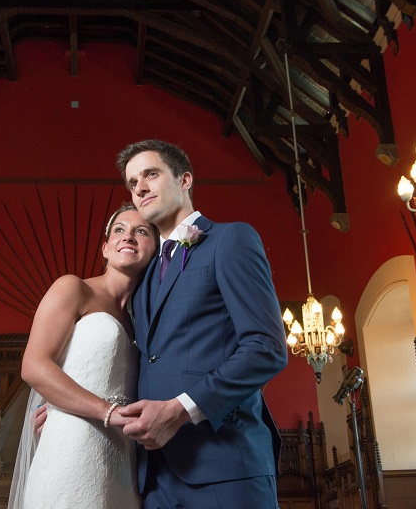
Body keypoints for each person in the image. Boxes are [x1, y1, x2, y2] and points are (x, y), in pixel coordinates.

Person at [111, 139, 288, 508]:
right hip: (154, 475)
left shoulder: (230, 239)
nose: (139, 187)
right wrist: (73, 410)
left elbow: (266, 348)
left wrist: (179, 410)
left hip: (226, 465)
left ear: (185, 179)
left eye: (151, 174)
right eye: (131, 182)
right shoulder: (142, 274)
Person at [9, 203, 158, 509]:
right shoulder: (73, 288)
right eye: (119, 230)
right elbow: (34, 366)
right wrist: (107, 412)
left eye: (140, 231)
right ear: (105, 248)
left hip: (123, 459)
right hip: (72, 447)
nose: (128, 236)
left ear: (155, 249)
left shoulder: (142, 322)